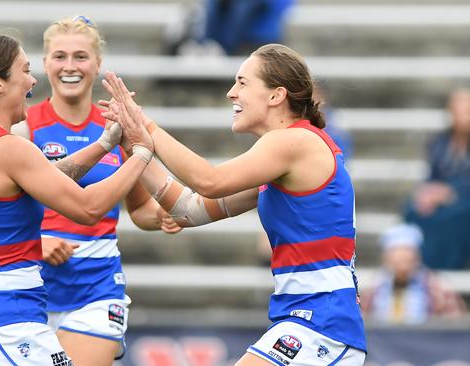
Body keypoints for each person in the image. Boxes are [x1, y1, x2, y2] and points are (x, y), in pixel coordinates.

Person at [101, 43, 366, 365]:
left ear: (276, 95)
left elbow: (209, 181)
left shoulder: (294, 142)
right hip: (310, 319)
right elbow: (188, 210)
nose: (231, 93)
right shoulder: (283, 157)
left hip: (322, 323)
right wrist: (135, 147)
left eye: (242, 83)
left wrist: (146, 125)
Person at [0, 32, 154, 365]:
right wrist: (141, 153)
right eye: (23, 70)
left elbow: (46, 175)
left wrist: (106, 143)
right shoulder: (9, 147)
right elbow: (88, 207)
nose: (31, 80)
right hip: (6, 324)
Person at [11, 16, 181, 366]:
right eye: (60, 56)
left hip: (97, 289)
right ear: (45, 64)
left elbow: (141, 210)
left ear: (98, 64)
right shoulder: (24, 126)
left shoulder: (119, 128)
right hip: (31, 289)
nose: (69, 66)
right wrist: (34, 243)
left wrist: (164, 216)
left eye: (80, 56)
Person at [404, 88, 470, 269]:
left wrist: (451, 191)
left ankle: (446, 266)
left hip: (465, 198)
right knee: (413, 209)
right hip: (443, 195)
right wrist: (427, 193)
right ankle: (420, 266)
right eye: (461, 110)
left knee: (451, 216)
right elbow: (433, 176)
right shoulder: (439, 142)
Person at [361, 223, 466, 324]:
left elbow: (455, 328)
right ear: (385, 258)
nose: (403, 258)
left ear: (417, 257)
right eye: (396, 254)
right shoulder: (372, 289)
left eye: (408, 253)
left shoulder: (437, 288)